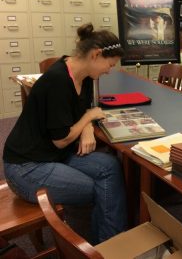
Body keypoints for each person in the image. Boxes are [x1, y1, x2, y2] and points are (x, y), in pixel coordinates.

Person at [2, 23, 127, 244]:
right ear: (96, 55)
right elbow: (62, 140)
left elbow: (84, 108)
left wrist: (87, 126)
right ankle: (108, 246)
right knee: (98, 188)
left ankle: (108, 243)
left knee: (111, 166)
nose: (109, 70)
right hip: (26, 167)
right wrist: (88, 119)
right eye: (109, 64)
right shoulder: (58, 80)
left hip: (51, 154)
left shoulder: (85, 76)